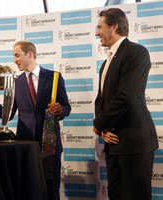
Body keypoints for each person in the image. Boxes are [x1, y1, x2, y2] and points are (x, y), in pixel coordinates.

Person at [0, 40, 71, 200]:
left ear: (29, 54)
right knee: (27, 191)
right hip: (24, 146)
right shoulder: (16, 82)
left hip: (49, 145)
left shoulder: (54, 77)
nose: (14, 60)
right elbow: (9, 113)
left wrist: (61, 110)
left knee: (51, 190)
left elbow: (66, 106)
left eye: (17, 55)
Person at [93, 8, 158, 200]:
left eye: (100, 27)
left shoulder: (136, 52)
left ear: (114, 27)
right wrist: (103, 128)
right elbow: (101, 99)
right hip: (113, 142)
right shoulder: (106, 63)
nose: (97, 33)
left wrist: (98, 124)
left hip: (134, 142)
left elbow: (126, 96)